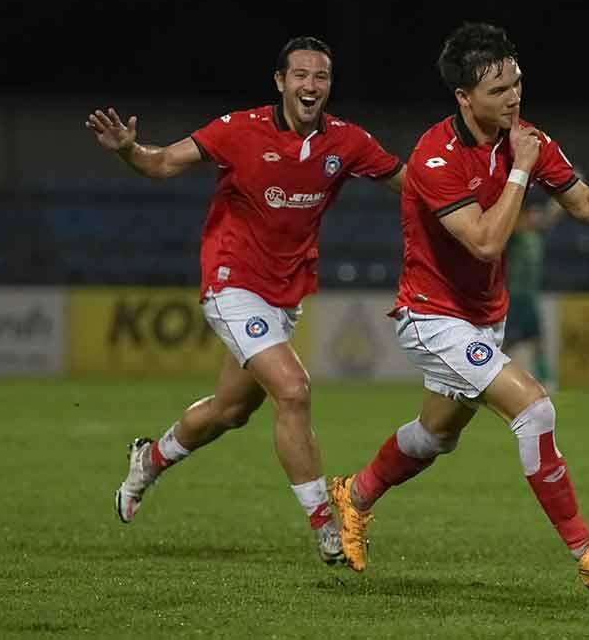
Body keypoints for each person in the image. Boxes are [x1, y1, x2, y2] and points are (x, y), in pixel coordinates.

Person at [326, 22, 589, 590]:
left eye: (517, 83)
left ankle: (355, 492)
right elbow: (487, 241)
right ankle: (587, 551)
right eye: (498, 90)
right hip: (430, 315)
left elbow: (587, 206)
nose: (514, 96)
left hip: (484, 315)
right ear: (464, 97)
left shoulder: (526, 138)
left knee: (435, 436)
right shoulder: (436, 157)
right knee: (535, 409)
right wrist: (520, 167)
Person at [86, 36, 405, 564]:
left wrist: (466, 200)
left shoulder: (347, 142)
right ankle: (326, 524)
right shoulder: (238, 130)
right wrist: (127, 150)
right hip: (232, 281)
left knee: (230, 410)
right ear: (279, 82)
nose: (311, 85)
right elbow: (163, 163)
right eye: (299, 75)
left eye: (321, 76)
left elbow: (411, 184)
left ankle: (150, 459)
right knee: (294, 389)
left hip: (284, 295)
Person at [502, 198, 564, 387]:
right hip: (516, 294)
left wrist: (559, 200)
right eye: (533, 214)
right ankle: (490, 376)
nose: (536, 218)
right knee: (510, 342)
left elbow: (549, 218)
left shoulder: (536, 236)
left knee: (535, 340)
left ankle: (545, 379)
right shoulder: (516, 235)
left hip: (528, 295)